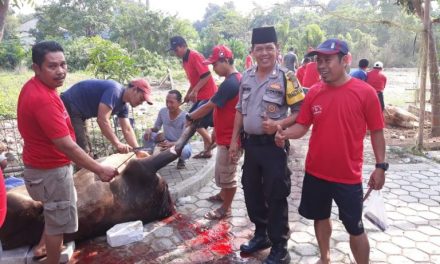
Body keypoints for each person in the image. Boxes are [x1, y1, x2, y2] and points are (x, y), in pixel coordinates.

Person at [275, 38, 386, 264]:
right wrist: (284, 133)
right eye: (319, 61)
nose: (322, 66)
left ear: (345, 60)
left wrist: (380, 166)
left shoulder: (365, 93)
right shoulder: (315, 92)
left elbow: (377, 131)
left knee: (355, 227)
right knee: (320, 216)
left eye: (328, 60)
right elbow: (303, 126)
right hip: (316, 171)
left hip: (348, 175)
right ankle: (325, 258)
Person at [17, 41, 118, 264]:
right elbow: (66, 145)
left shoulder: (38, 88)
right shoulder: (43, 99)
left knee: (56, 215)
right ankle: (52, 256)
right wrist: (99, 169)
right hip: (50, 172)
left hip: (44, 168)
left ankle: (47, 247)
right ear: (36, 68)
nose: (60, 71)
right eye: (52, 66)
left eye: (63, 64)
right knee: (57, 223)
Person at [229, 26, 304, 264]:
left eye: (269, 48)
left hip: (274, 146)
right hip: (250, 146)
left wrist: (279, 123)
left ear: (277, 50)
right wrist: (233, 141)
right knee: (251, 192)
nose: (264, 53)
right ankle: (261, 236)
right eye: (259, 49)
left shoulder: (287, 77)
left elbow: (300, 111)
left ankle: (280, 247)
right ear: (252, 51)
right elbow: (240, 110)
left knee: (276, 195)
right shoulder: (247, 77)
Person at [185, 44, 242, 220]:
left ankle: (226, 208)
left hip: (230, 138)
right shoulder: (232, 80)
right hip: (225, 134)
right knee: (222, 171)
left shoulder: (232, 82)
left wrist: (190, 116)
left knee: (228, 174)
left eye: (215, 64)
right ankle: (223, 195)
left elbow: (211, 104)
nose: (214, 69)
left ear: (225, 60)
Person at [60, 78, 153, 157]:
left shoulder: (124, 106)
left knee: (87, 152)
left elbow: (127, 129)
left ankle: (88, 172)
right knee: (82, 151)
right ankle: (80, 176)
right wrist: (117, 143)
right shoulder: (115, 91)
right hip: (69, 105)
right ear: (134, 89)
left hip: (80, 112)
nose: (141, 103)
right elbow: (102, 120)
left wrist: (137, 151)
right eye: (141, 99)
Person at [168, 36, 217, 159]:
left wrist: (194, 90)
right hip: (200, 96)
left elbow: (206, 75)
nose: (175, 52)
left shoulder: (194, 56)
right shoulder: (185, 60)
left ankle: (211, 142)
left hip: (209, 95)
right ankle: (207, 152)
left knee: (192, 119)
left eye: (177, 49)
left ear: (184, 46)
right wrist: (189, 93)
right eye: (174, 50)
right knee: (200, 123)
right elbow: (194, 80)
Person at [143, 90, 192, 169]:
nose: (168, 105)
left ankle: (181, 160)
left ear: (179, 103)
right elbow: (156, 128)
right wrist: (149, 130)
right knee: (147, 135)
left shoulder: (186, 117)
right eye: (167, 102)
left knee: (185, 151)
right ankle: (149, 155)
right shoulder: (163, 111)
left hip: (180, 143)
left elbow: (185, 139)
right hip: (165, 141)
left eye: (171, 102)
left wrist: (172, 144)